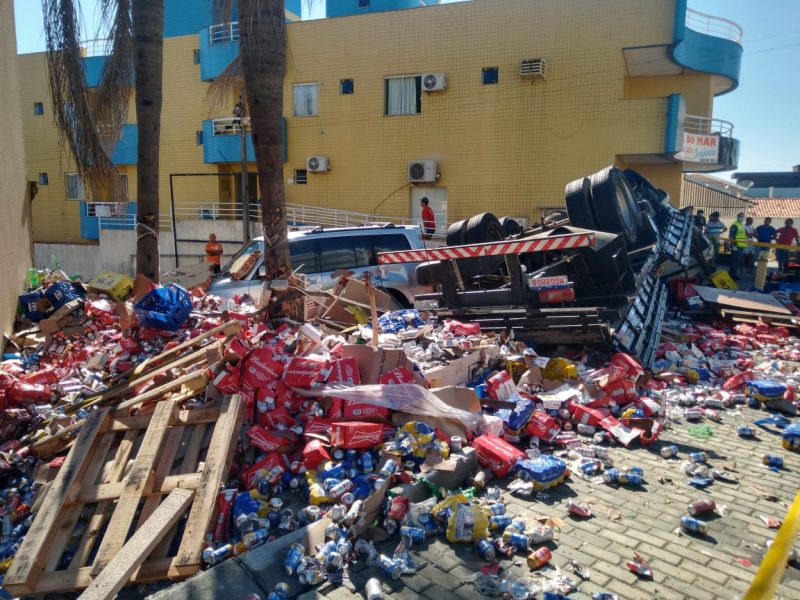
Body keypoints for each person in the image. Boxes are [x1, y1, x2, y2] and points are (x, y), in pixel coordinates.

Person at [728, 212, 748, 279]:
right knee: (734, 261)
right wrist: (733, 246)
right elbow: (731, 236)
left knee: (738, 261)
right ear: (737, 217)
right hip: (736, 246)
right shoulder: (735, 225)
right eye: (740, 216)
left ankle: (734, 274)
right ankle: (732, 274)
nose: (742, 218)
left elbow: (744, 235)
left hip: (741, 246)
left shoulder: (742, 225)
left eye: (742, 216)